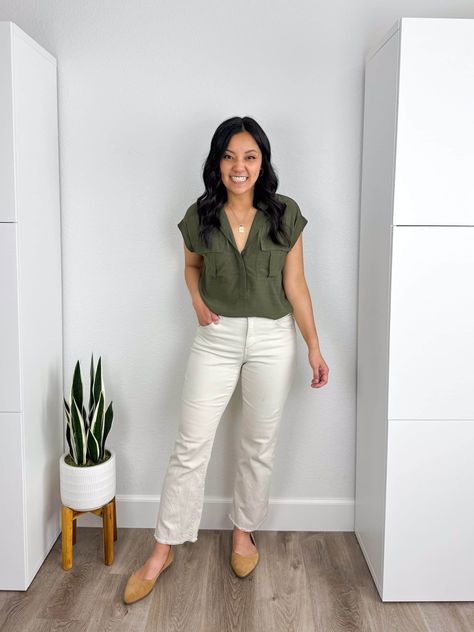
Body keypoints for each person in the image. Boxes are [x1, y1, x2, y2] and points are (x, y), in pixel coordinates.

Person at [123, 116, 329, 605]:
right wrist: (195, 300)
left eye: (250, 156)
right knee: (190, 445)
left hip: (273, 339)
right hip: (215, 338)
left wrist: (313, 347)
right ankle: (161, 550)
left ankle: (243, 533)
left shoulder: (285, 213)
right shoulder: (201, 213)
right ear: (218, 162)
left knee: (258, 444)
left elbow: (295, 285)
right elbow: (191, 267)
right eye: (230, 156)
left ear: (263, 162)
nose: (240, 166)